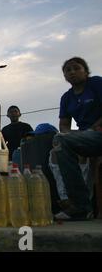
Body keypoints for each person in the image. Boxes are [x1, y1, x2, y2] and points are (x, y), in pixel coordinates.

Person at [52, 57, 102, 221]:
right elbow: (64, 125)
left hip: (99, 132)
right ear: (64, 76)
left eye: (76, 68)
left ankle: (80, 206)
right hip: (87, 137)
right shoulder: (66, 98)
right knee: (57, 147)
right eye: (68, 70)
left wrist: (87, 132)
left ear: (86, 71)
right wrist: (75, 139)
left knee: (63, 142)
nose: (72, 72)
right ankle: (79, 205)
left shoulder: (96, 83)